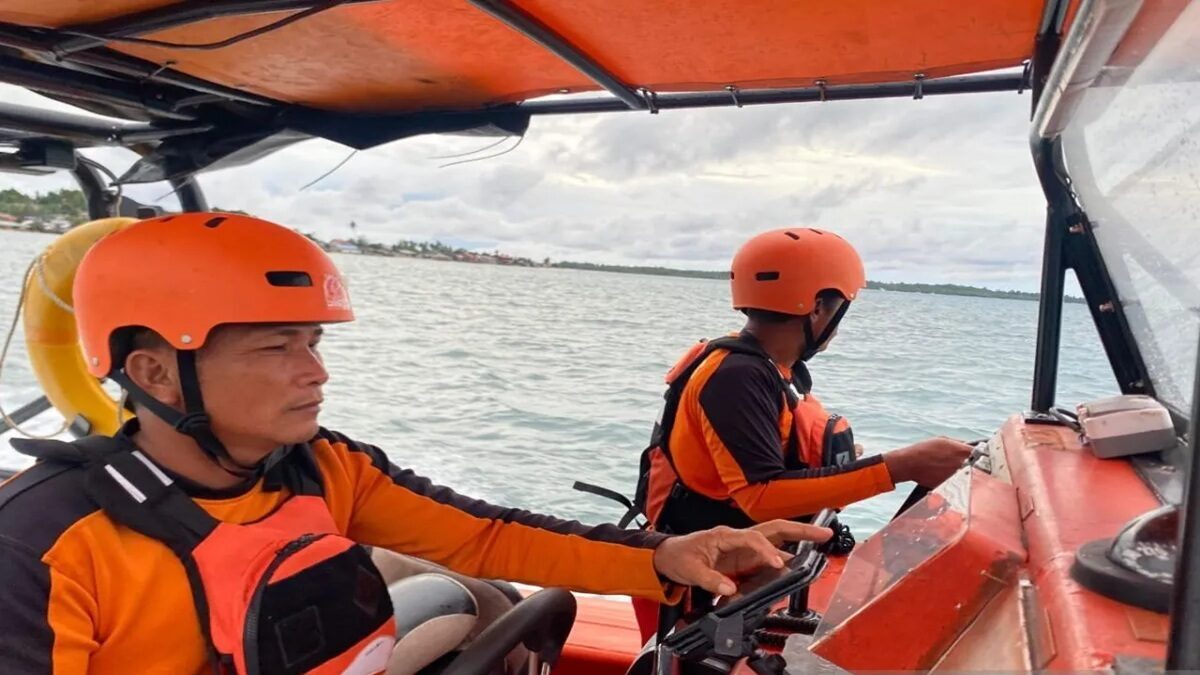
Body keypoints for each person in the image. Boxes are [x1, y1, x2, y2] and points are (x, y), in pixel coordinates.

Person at [0, 213, 830, 674]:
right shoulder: (41, 542)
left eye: (314, 342)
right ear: (156, 371)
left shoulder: (324, 467)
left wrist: (667, 553)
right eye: (276, 347)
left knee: (481, 591)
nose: (315, 372)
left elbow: (487, 534)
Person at [627, 227, 973, 640]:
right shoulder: (738, 376)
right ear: (819, 307)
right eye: (842, 307)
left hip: (732, 566)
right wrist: (901, 467)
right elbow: (759, 497)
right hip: (692, 583)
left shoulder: (772, 369)